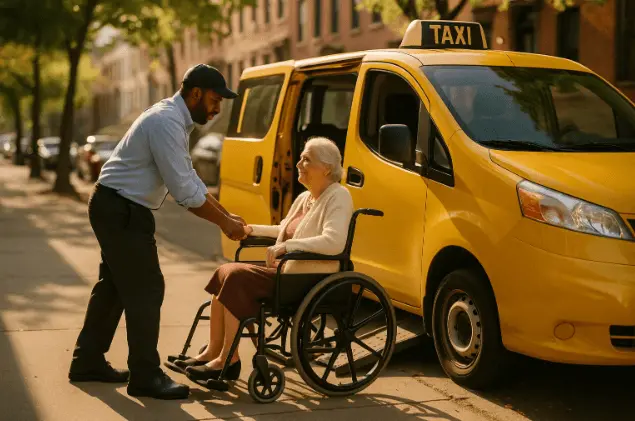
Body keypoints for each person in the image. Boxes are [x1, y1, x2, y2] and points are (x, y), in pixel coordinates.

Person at [68, 64, 247, 400]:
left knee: (116, 287)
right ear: (195, 93)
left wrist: (226, 212)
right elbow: (183, 191)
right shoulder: (166, 122)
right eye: (214, 99)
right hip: (121, 209)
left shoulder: (175, 120)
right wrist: (224, 223)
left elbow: (189, 177)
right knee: (147, 289)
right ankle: (146, 376)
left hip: (119, 206)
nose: (217, 107)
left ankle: (87, 360)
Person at [170, 137, 354, 382]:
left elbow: (333, 242)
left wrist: (287, 247)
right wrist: (250, 230)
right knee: (225, 272)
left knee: (235, 276)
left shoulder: (339, 196)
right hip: (287, 271)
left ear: (327, 168)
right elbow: (283, 229)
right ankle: (214, 352)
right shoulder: (304, 198)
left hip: (307, 276)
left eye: (306, 159)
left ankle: (228, 358)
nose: (298, 163)